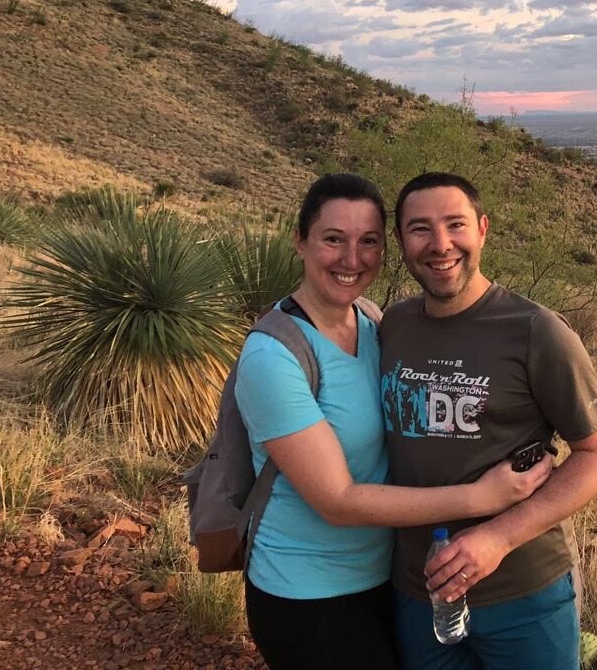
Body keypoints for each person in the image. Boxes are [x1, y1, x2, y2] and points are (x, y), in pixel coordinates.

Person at [234, 173, 552, 670]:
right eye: (333, 239)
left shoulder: (373, 322)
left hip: (390, 579)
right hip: (309, 594)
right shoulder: (273, 358)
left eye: (368, 241)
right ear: (300, 241)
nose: (352, 259)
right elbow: (337, 501)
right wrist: (481, 498)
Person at [380, 172, 597, 670]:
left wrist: (499, 537)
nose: (440, 244)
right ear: (400, 242)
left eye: (456, 224)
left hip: (523, 594)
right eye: (420, 229)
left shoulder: (536, 330)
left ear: (483, 229)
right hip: (418, 592)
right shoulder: (394, 326)